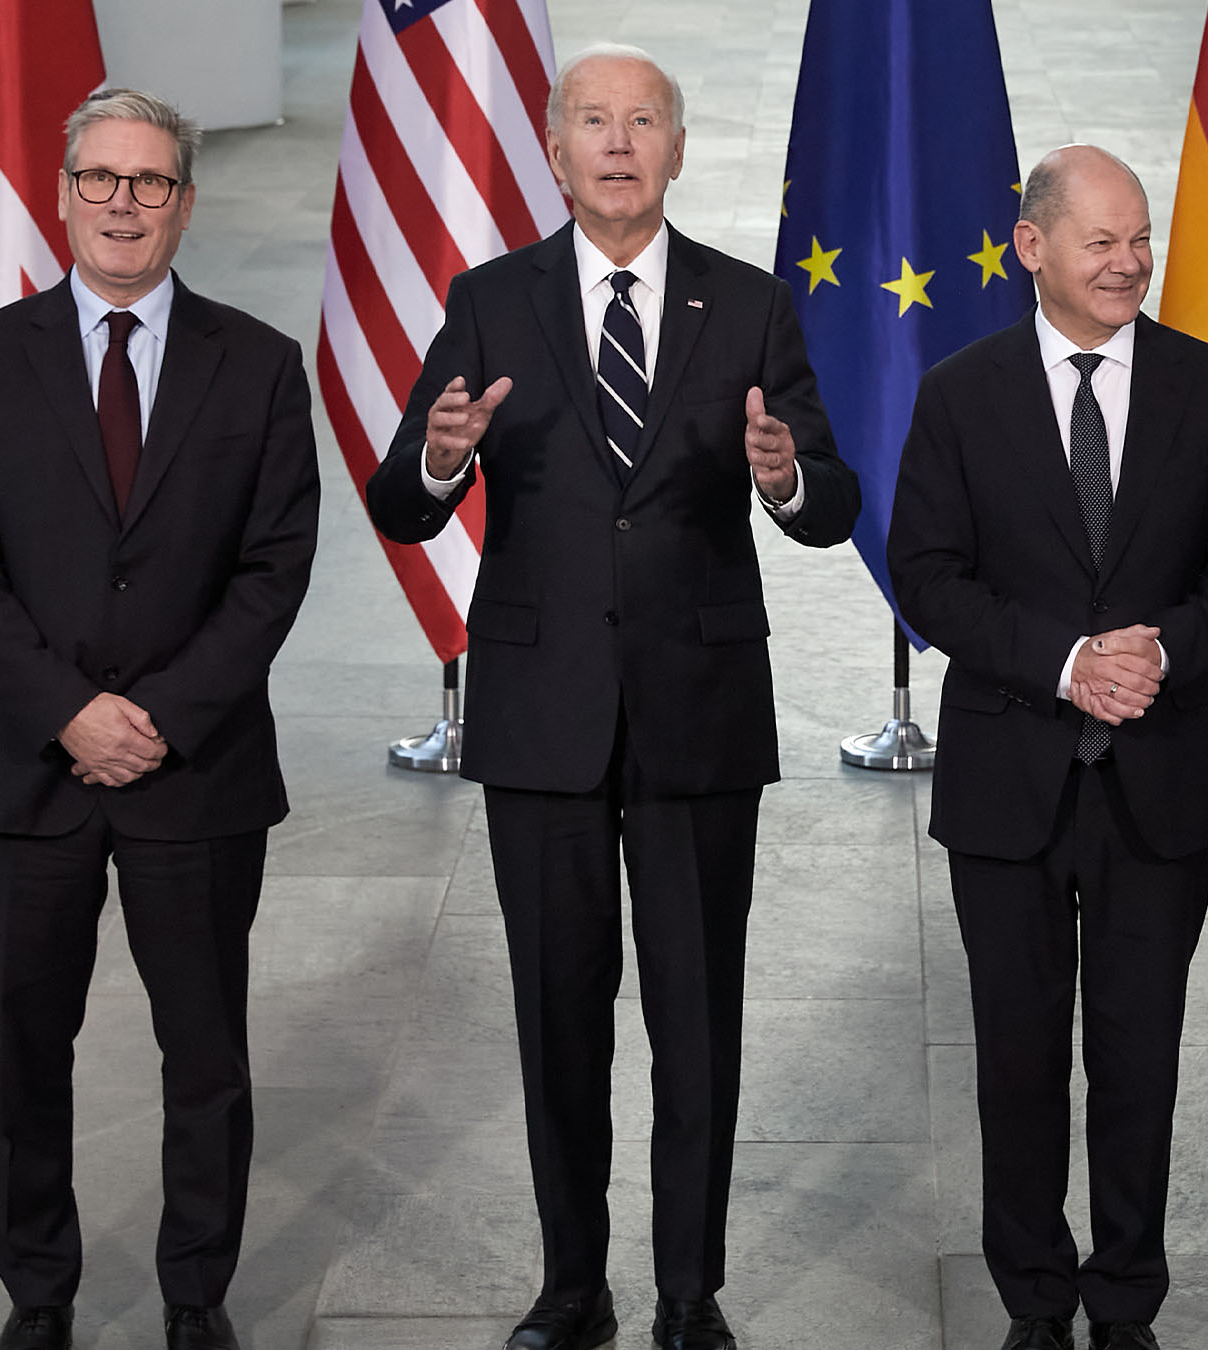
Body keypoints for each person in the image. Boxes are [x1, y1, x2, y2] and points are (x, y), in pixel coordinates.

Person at [364, 42, 859, 1350]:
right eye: (595, 119)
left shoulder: (747, 304)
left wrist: (783, 476)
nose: (621, 141)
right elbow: (399, 502)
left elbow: (831, 501)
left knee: (698, 1020)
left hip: (700, 712)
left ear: (678, 149)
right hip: (542, 715)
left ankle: (690, 1293)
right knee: (559, 1017)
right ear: (555, 148)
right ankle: (572, 1287)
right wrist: (440, 456)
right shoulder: (489, 301)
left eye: (644, 120)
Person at [0, 89, 319, 1350]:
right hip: (22, 766)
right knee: (26, 1054)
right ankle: (39, 1295)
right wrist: (68, 713)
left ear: (186, 205)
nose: (124, 204)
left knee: (203, 1059)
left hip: (194, 769)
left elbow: (274, 569)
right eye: (101, 178)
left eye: (150, 182)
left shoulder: (259, 363)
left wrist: (155, 716)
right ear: (63, 194)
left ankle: (196, 1296)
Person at [888, 145, 1208, 1350]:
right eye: (1102, 241)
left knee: (1138, 1058)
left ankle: (1124, 1303)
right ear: (1033, 247)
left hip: (1160, 787)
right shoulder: (960, 393)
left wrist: (1164, 649)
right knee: (1016, 1060)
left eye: (1139, 238)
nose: (1128, 263)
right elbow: (926, 575)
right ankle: (1034, 1301)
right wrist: (1065, 663)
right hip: (1008, 784)